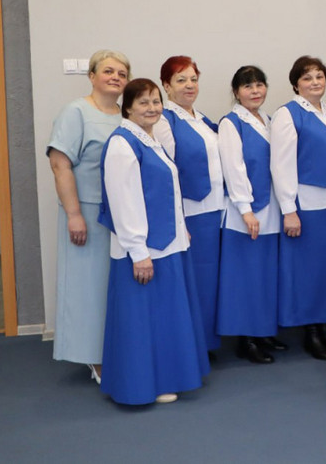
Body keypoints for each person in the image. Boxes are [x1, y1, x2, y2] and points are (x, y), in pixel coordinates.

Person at [98, 78, 208, 405]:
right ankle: (144, 385)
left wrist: (181, 227)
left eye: (156, 101)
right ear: (128, 108)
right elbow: (124, 202)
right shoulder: (122, 144)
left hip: (168, 244)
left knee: (165, 317)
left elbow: (165, 191)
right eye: (143, 102)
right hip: (145, 251)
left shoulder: (150, 139)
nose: (152, 108)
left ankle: (168, 377)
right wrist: (138, 252)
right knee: (145, 320)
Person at [47, 50, 130, 385]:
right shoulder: (76, 112)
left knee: (114, 287)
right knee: (89, 288)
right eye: (108, 71)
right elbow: (59, 164)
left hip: (120, 216)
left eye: (122, 73)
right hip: (87, 213)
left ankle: (116, 349)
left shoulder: (126, 115)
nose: (115, 77)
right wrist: (74, 214)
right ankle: (93, 357)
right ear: (92, 76)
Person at [270, 56, 326, 361]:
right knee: (309, 272)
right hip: (307, 206)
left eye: (319, 76)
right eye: (307, 78)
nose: (315, 82)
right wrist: (289, 209)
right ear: (296, 84)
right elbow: (281, 165)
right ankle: (312, 333)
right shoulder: (288, 114)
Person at [154, 56, 225, 354]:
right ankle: (193, 346)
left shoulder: (201, 119)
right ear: (166, 86)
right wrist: (178, 220)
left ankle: (207, 343)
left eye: (193, 79)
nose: (189, 85)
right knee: (196, 282)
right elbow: (166, 173)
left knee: (210, 282)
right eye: (181, 80)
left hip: (216, 210)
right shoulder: (164, 120)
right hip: (192, 213)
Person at [216, 66, 287, 364]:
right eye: (247, 86)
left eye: (259, 84)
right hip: (244, 214)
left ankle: (262, 331)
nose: (255, 91)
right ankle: (246, 339)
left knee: (264, 275)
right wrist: (245, 210)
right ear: (236, 92)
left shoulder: (269, 121)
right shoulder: (231, 123)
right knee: (245, 277)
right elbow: (234, 168)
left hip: (270, 209)